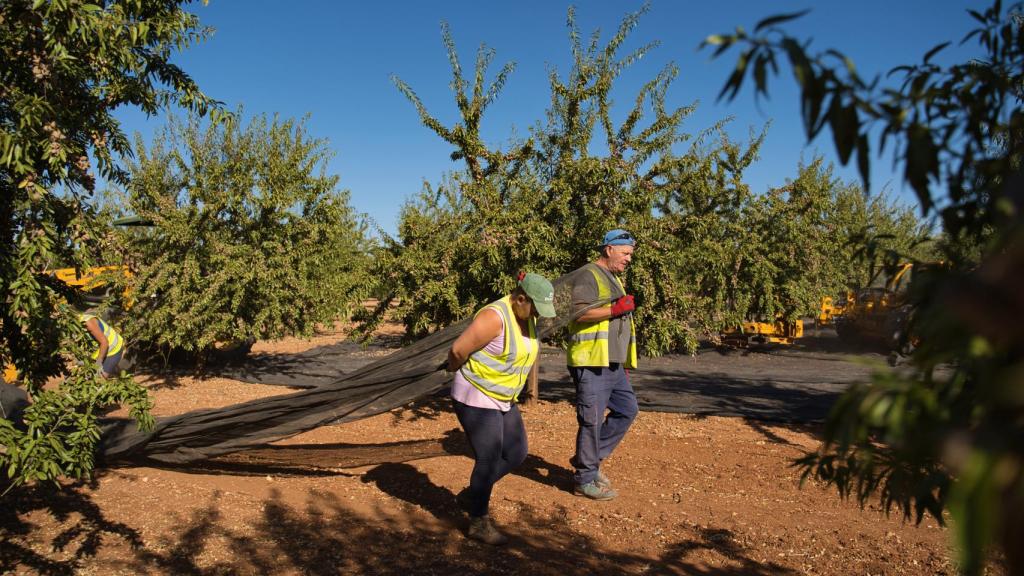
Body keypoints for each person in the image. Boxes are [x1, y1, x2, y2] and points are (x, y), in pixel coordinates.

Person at [446, 272, 556, 545]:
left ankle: (473, 493)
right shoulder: (495, 317)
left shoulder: (525, 317)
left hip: (503, 397)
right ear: (520, 298)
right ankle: (478, 522)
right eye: (536, 308)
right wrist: (457, 371)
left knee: (517, 453)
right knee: (489, 457)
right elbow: (458, 350)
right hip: (476, 395)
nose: (538, 316)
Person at [566, 229, 639, 501]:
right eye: (625, 253)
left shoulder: (613, 278)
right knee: (591, 421)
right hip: (591, 362)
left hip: (612, 364)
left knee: (627, 410)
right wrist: (615, 309)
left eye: (630, 254)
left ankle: (589, 459)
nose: (629, 258)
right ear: (609, 249)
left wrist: (622, 360)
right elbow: (579, 312)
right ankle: (584, 479)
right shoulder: (589, 274)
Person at [80, 309, 125, 379]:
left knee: (100, 379)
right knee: (87, 378)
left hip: (113, 348)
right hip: (100, 349)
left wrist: (98, 362)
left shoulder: (87, 323)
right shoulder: (73, 328)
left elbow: (104, 342)